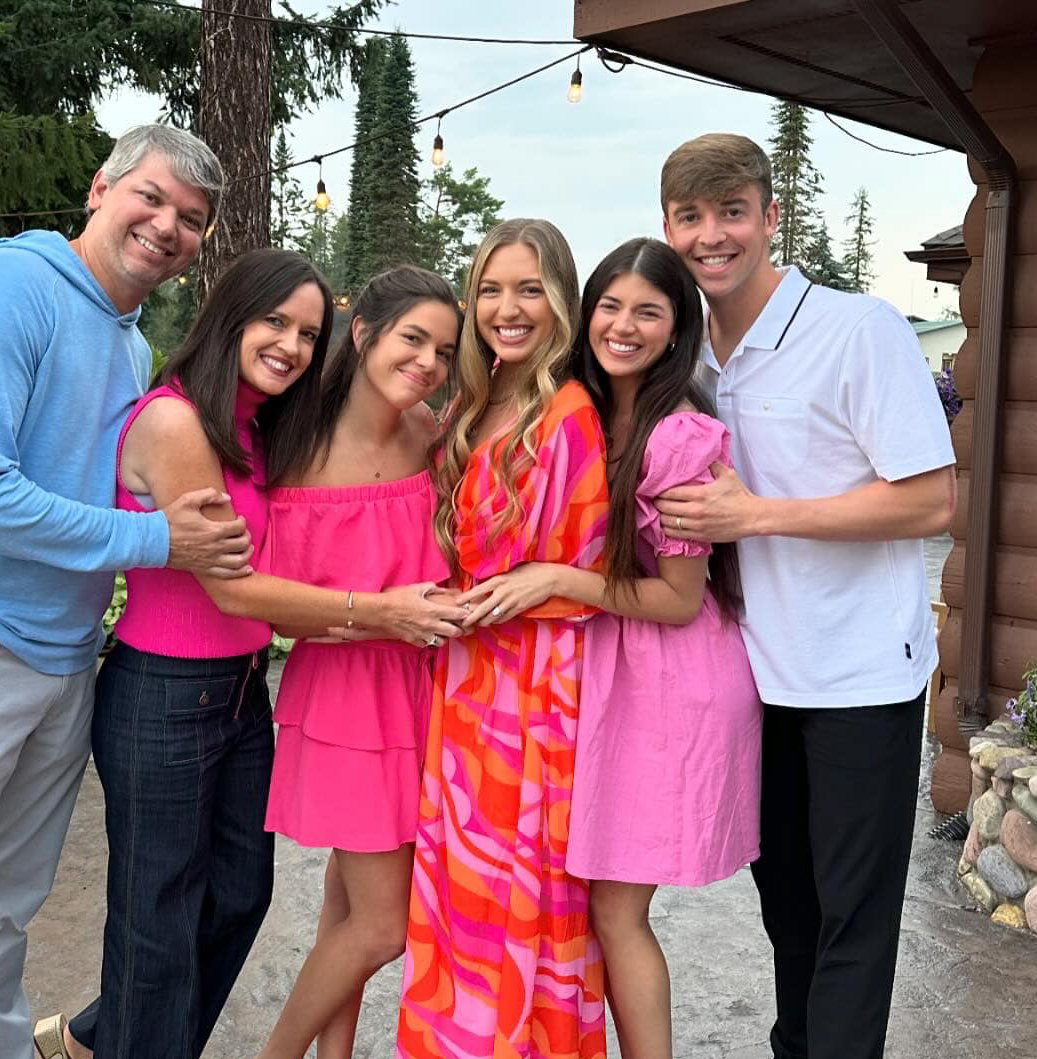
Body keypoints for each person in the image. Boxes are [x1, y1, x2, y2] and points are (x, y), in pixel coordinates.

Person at [0, 124, 255, 1059]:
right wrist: (160, 541)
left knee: (0, 925)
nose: (166, 226)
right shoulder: (8, 287)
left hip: (62, 658)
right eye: (150, 198)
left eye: (190, 220)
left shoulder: (126, 340)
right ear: (99, 189)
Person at [40, 252, 464, 1059]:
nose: (292, 344)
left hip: (239, 693)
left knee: (237, 897)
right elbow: (236, 590)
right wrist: (379, 612)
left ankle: (94, 1038)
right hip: (165, 692)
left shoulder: (261, 428)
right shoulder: (179, 422)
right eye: (275, 322)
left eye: (308, 331)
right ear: (230, 315)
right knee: (158, 922)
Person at [652, 134, 956, 1059]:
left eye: (732, 211)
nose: (714, 235)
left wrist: (760, 514)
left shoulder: (858, 329)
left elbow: (932, 498)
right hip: (752, 676)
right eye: (692, 217)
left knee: (851, 926)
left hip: (860, 672)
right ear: (667, 227)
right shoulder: (687, 352)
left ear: (772, 216)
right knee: (788, 908)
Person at [459, 238, 761, 1058]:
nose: (623, 326)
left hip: (669, 679)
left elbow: (677, 599)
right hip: (604, 674)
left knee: (617, 912)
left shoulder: (679, 435)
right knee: (580, 901)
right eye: (611, 306)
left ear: (677, 328)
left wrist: (556, 578)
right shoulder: (581, 407)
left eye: (649, 312)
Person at [397, 218, 610, 1059]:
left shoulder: (570, 414)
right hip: (464, 685)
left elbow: (592, 575)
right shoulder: (473, 406)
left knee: (527, 890)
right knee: (459, 888)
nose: (507, 308)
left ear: (560, 299)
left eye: (529, 289)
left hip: (537, 691)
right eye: (490, 288)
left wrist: (540, 587)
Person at [252, 266, 461, 1059]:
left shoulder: (432, 437)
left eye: (444, 349)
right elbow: (265, 601)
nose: (429, 363)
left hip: (423, 691)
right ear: (366, 331)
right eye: (414, 338)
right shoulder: (294, 440)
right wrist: (373, 615)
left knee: (347, 910)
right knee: (381, 924)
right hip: (344, 696)